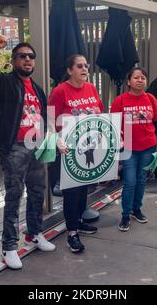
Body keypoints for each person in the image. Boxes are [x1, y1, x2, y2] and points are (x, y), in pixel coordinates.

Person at [0, 34, 55, 270]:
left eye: (31, 57)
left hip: (36, 146)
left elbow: (45, 116)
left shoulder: (38, 89)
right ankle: (9, 246)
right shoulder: (3, 82)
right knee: (14, 195)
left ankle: (34, 234)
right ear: (14, 60)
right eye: (22, 56)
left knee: (38, 192)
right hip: (14, 148)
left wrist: (49, 137)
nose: (28, 60)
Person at [48, 54, 104, 253]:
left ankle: (79, 221)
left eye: (86, 66)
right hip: (68, 150)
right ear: (70, 70)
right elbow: (49, 120)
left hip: (89, 146)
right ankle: (72, 232)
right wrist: (57, 140)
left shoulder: (90, 88)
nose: (84, 69)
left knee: (84, 188)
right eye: (79, 66)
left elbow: (100, 114)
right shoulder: (60, 91)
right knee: (71, 191)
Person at [110, 67, 157, 231]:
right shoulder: (120, 100)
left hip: (147, 147)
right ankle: (125, 215)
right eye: (136, 77)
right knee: (130, 182)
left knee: (141, 181)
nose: (140, 80)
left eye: (143, 78)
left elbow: (156, 123)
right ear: (128, 81)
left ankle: (136, 209)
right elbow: (113, 125)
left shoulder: (151, 98)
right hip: (128, 149)